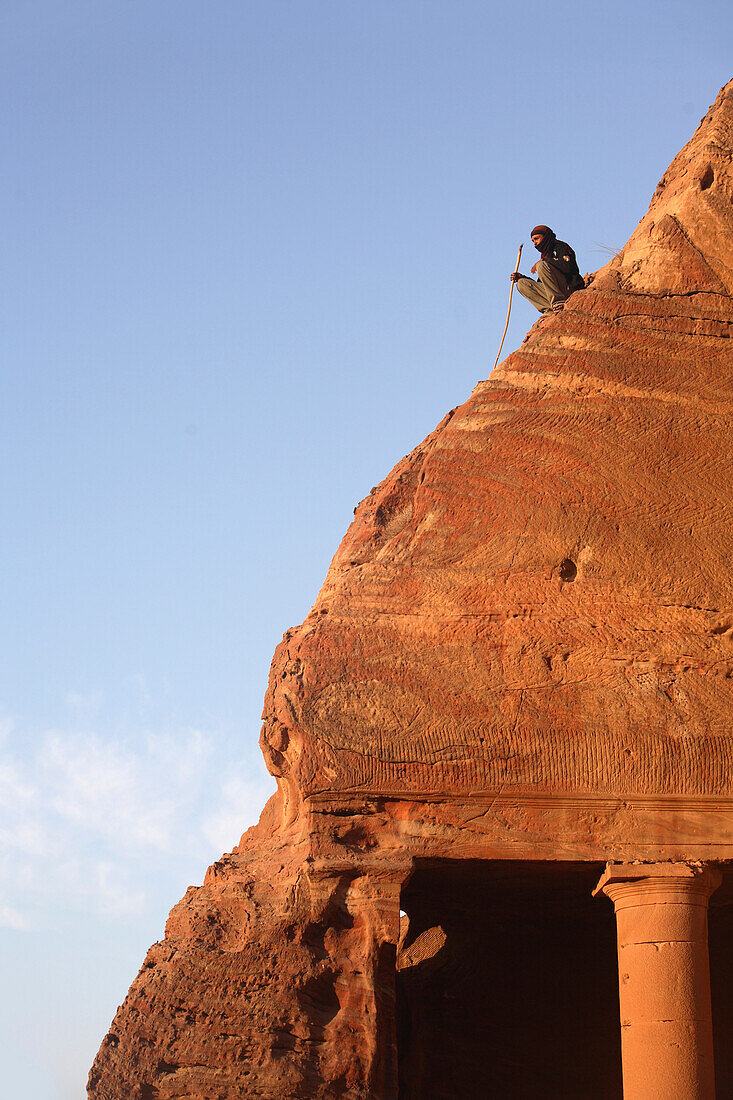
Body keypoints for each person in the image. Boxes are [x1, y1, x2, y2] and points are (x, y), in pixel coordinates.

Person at [511, 225, 584, 313]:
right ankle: (549, 310)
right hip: (555, 291)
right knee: (521, 284)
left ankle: (558, 302)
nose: (535, 243)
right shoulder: (545, 255)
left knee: (541, 265)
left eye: (536, 238)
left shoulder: (560, 246)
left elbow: (569, 267)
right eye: (533, 241)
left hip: (569, 288)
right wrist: (522, 277)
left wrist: (545, 261)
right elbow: (544, 283)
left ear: (545, 236)